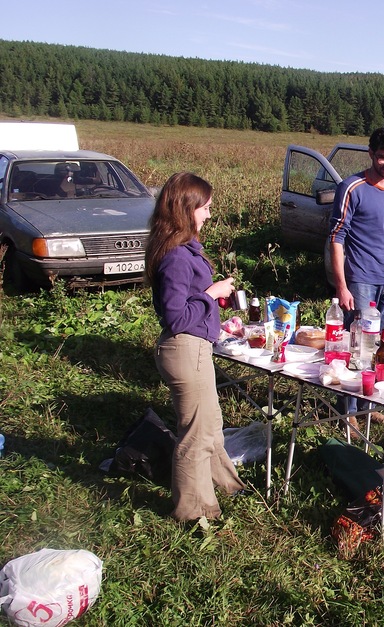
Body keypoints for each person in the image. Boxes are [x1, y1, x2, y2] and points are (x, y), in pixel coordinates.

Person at [145, 172, 246, 522]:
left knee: (211, 425)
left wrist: (211, 301)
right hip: (185, 351)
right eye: (205, 208)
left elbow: (187, 302)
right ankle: (193, 512)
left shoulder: (183, 249)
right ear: (186, 209)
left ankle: (224, 485)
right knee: (195, 435)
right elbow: (175, 316)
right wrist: (210, 294)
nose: (208, 215)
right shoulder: (176, 256)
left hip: (196, 347)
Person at [329, 127, 384, 419]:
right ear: (370, 154)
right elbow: (337, 239)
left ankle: (370, 404)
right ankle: (347, 411)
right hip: (361, 280)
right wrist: (342, 286)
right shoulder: (352, 188)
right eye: (382, 158)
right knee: (358, 347)